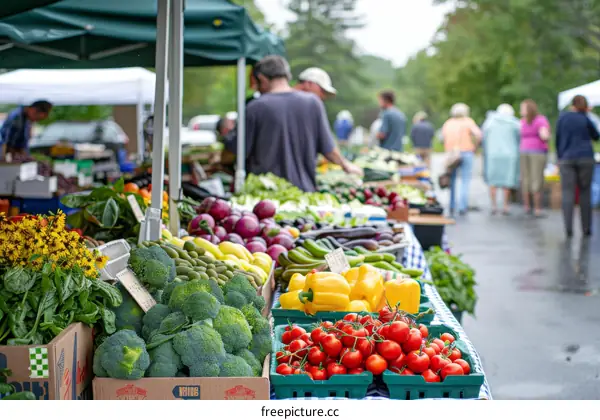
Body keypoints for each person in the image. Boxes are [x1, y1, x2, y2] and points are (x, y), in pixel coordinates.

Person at [226, 55, 362, 192]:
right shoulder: (313, 103)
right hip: (303, 194)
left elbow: (236, 152)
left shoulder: (254, 107)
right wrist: (347, 166)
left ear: (261, 78)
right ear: (286, 75)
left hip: (263, 197)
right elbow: (329, 149)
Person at [556, 95, 600, 237]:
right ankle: (586, 228)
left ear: (572, 105)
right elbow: (596, 136)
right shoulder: (586, 118)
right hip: (586, 158)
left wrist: (560, 156)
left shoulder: (563, 118)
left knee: (568, 193)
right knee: (584, 193)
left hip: (567, 158)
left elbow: (558, 138)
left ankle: (568, 228)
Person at [441, 103, 482, 215]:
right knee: (465, 180)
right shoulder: (468, 122)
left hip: (451, 153)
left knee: (452, 180)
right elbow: (478, 135)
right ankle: (462, 206)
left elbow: (442, 137)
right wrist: (475, 147)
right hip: (466, 152)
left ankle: (452, 205)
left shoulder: (448, 123)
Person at [482, 104, 521, 215]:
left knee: (492, 181)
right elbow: (519, 138)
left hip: (493, 154)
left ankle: (494, 205)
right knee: (507, 181)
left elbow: (484, 138)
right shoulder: (514, 123)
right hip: (509, 154)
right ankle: (505, 206)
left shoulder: (489, 123)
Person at [519, 99, 551, 217]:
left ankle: (527, 206)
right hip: (537, 152)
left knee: (525, 178)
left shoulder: (522, 122)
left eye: (522, 108)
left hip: (523, 151)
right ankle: (537, 208)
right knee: (537, 178)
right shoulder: (540, 120)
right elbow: (544, 135)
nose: (521, 111)